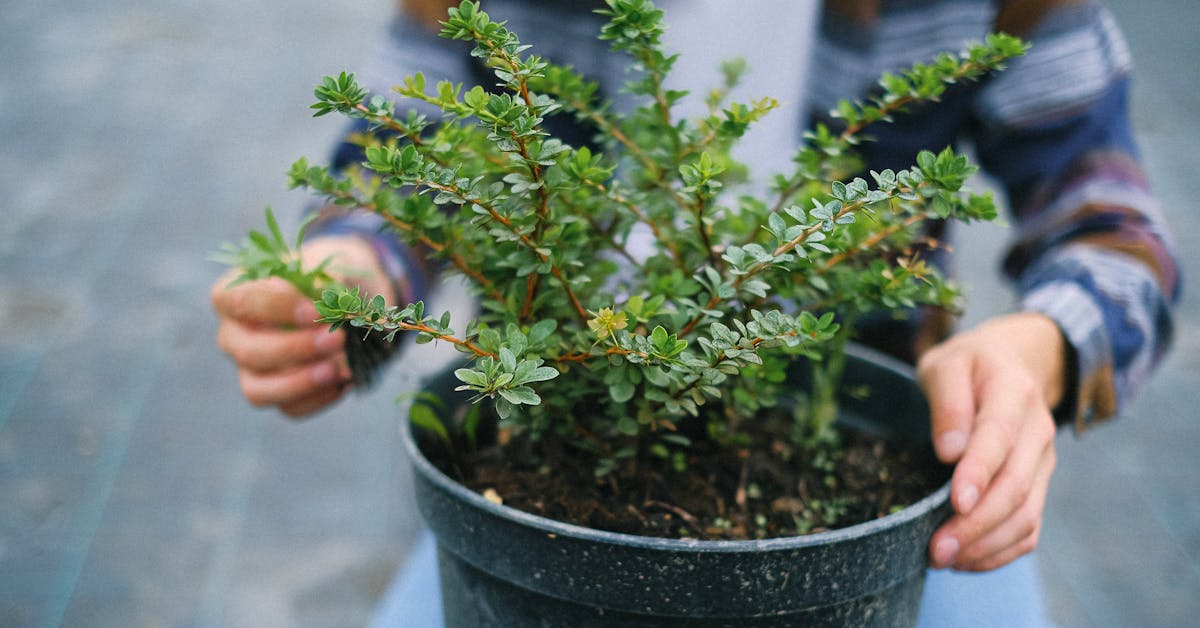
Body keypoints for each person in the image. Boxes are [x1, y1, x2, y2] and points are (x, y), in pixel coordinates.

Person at [211, 0, 1179, 622]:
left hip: (882, 455)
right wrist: (351, 269)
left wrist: (1039, 346)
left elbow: (1113, 227)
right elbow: (403, 150)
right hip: (554, 424)